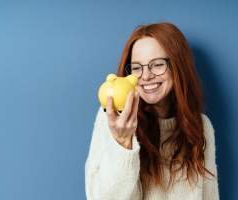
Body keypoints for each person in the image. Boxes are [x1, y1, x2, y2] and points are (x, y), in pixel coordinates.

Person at [85, 22, 219, 200]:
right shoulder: (112, 120)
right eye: (137, 68)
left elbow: (209, 196)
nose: (146, 76)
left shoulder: (201, 126)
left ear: (178, 67)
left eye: (157, 65)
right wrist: (123, 142)